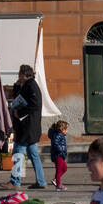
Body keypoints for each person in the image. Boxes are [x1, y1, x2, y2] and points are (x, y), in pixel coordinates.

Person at [9, 63, 47, 191]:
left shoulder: (31, 86)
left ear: (24, 75)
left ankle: (15, 181)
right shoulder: (27, 85)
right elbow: (18, 98)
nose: (18, 76)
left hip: (27, 127)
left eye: (19, 74)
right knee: (33, 154)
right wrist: (17, 86)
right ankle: (41, 181)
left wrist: (19, 113)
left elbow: (34, 104)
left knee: (18, 152)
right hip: (30, 127)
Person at [48, 118, 69, 190]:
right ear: (62, 129)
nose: (67, 131)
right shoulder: (58, 135)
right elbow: (55, 144)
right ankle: (58, 186)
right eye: (66, 129)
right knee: (59, 170)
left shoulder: (60, 135)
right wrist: (61, 149)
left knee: (64, 168)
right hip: (58, 155)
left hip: (61, 155)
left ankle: (55, 180)